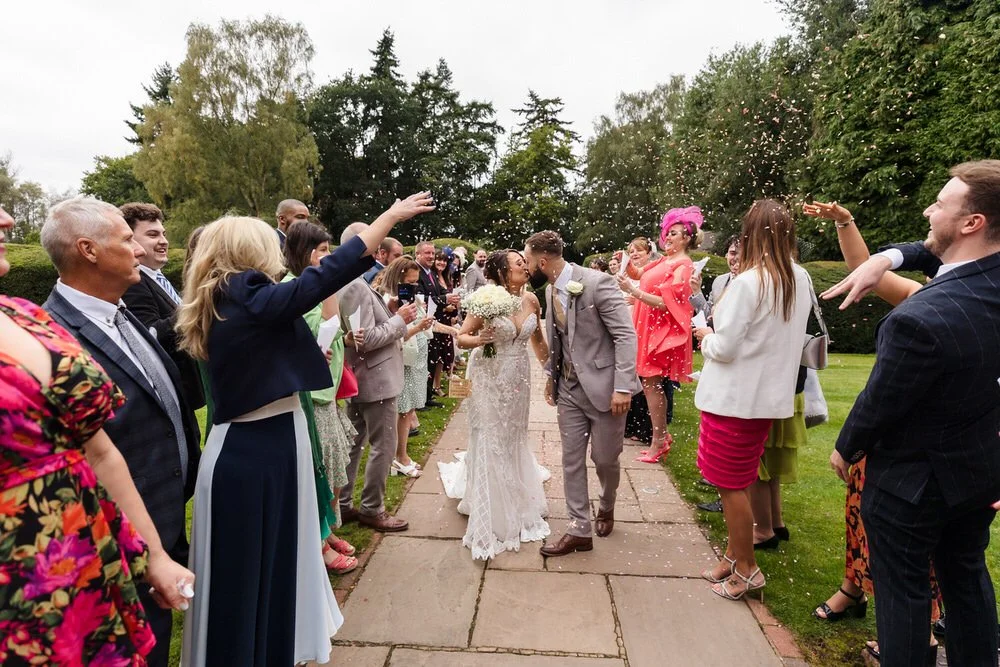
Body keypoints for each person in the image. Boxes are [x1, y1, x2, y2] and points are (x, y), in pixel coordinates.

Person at [176, 193, 433, 666]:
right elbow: (327, 274)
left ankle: (273, 645)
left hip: (272, 438)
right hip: (256, 448)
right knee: (250, 569)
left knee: (278, 561)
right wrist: (389, 218)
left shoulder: (233, 298)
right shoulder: (246, 297)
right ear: (246, 253)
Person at [822, 160, 1000, 667]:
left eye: (940, 203)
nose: (927, 209)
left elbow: (881, 402)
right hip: (978, 470)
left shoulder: (922, 318)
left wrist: (846, 446)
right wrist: (889, 255)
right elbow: (927, 249)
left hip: (912, 483)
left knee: (903, 596)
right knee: (965, 578)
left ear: (973, 223)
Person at [0, 206, 193, 665]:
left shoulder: (24, 317)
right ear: (88, 250)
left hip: (100, 559)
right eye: (128, 239)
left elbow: (99, 451)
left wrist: (155, 556)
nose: (8, 218)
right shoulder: (60, 320)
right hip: (26, 590)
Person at [802, 201, 944, 664]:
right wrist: (846, 221)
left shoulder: (967, 303)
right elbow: (866, 270)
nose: (927, 211)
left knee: (916, 541)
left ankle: (915, 629)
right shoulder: (924, 293)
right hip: (879, 435)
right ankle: (852, 589)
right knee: (861, 516)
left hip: (926, 448)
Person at [693, 199, 811, 602]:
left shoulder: (749, 282)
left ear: (749, 235)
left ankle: (747, 570)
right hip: (766, 399)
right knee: (739, 479)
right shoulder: (800, 278)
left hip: (733, 399)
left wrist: (705, 338)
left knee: (730, 485)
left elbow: (725, 348)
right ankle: (733, 553)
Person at [525, 231, 641, 557]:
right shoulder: (549, 291)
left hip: (605, 389)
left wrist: (622, 387)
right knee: (571, 459)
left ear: (543, 261)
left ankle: (606, 503)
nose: (527, 264)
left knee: (605, 459)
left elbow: (625, 336)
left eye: (529, 259)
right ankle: (579, 528)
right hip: (570, 390)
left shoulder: (597, 283)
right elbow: (559, 339)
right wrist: (552, 378)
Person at [440, 249, 551, 559]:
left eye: (524, 263)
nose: (525, 267)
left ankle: (516, 496)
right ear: (502, 271)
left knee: (513, 434)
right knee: (491, 435)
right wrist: (482, 339)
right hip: (488, 374)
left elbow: (538, 340)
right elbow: (462, 337)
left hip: (518, 376)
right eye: (518, 263)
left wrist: (552, 374)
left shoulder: (531, 301)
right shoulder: (486, 300)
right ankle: (491, 507)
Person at [282, 221, 359, 574]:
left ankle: (326, 534)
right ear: (306, 252)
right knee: (323, 472)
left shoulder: (313, 286)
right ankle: (318, 542)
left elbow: (332, 331)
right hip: (311, 397)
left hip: (328, 392)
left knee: (335, 471)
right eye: (323, 251)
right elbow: (322, 323)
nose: (328, 258)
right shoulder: (293, 289)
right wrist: (328, 282)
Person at [337, 224, 419, 532]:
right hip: (377, 378)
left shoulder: (344, 281)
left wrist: (389, 311)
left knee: (354, 444)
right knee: (383, 446)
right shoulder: (356, 285)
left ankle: (343, 506)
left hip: (360, 376)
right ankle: (373, 508)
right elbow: (366, 338)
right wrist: (400, 320)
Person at [617, 207, 700, 463]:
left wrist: (634, 291)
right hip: (645, 326)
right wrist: (627, 264)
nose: (668, 238)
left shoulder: (684, 265)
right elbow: (640, 274)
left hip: (658, 331)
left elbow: (669, 302)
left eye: (674, 234)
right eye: (667, 233)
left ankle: (659, 440)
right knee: (648, 384)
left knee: (652, 386)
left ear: (687, 237)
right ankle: (660, 435)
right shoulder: (664, 260)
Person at [119, 202, 205, 410]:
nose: (163, 241)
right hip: (170, 395)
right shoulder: (134, 284)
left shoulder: (156, 277)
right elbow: (149, 335)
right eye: (152, 235)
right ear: (131, 240)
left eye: (163, 234)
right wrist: (197, 305)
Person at [371, 256, 437, 478]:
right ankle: (399, 457)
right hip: (403, 359)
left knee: (408, 411)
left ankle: (400, 456)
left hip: (415, 358)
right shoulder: (388, 299)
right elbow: (395, 335)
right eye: (408, 282)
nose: (412, 287)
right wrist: (418, 326)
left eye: (415, 282)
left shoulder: (409, 298)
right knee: (403, 410)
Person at [428, 249, 460, 397]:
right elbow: (433, 298)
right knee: (436, 354)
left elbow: (451, 296)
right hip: (437, 318)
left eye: (444, 261)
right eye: (438, 260)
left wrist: (453, 310)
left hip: (447, 318)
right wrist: (445, 305)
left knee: (445, 353)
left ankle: (437, 385)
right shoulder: (432, 275)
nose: (441, 263)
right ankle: (433, 386)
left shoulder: (447, 277)